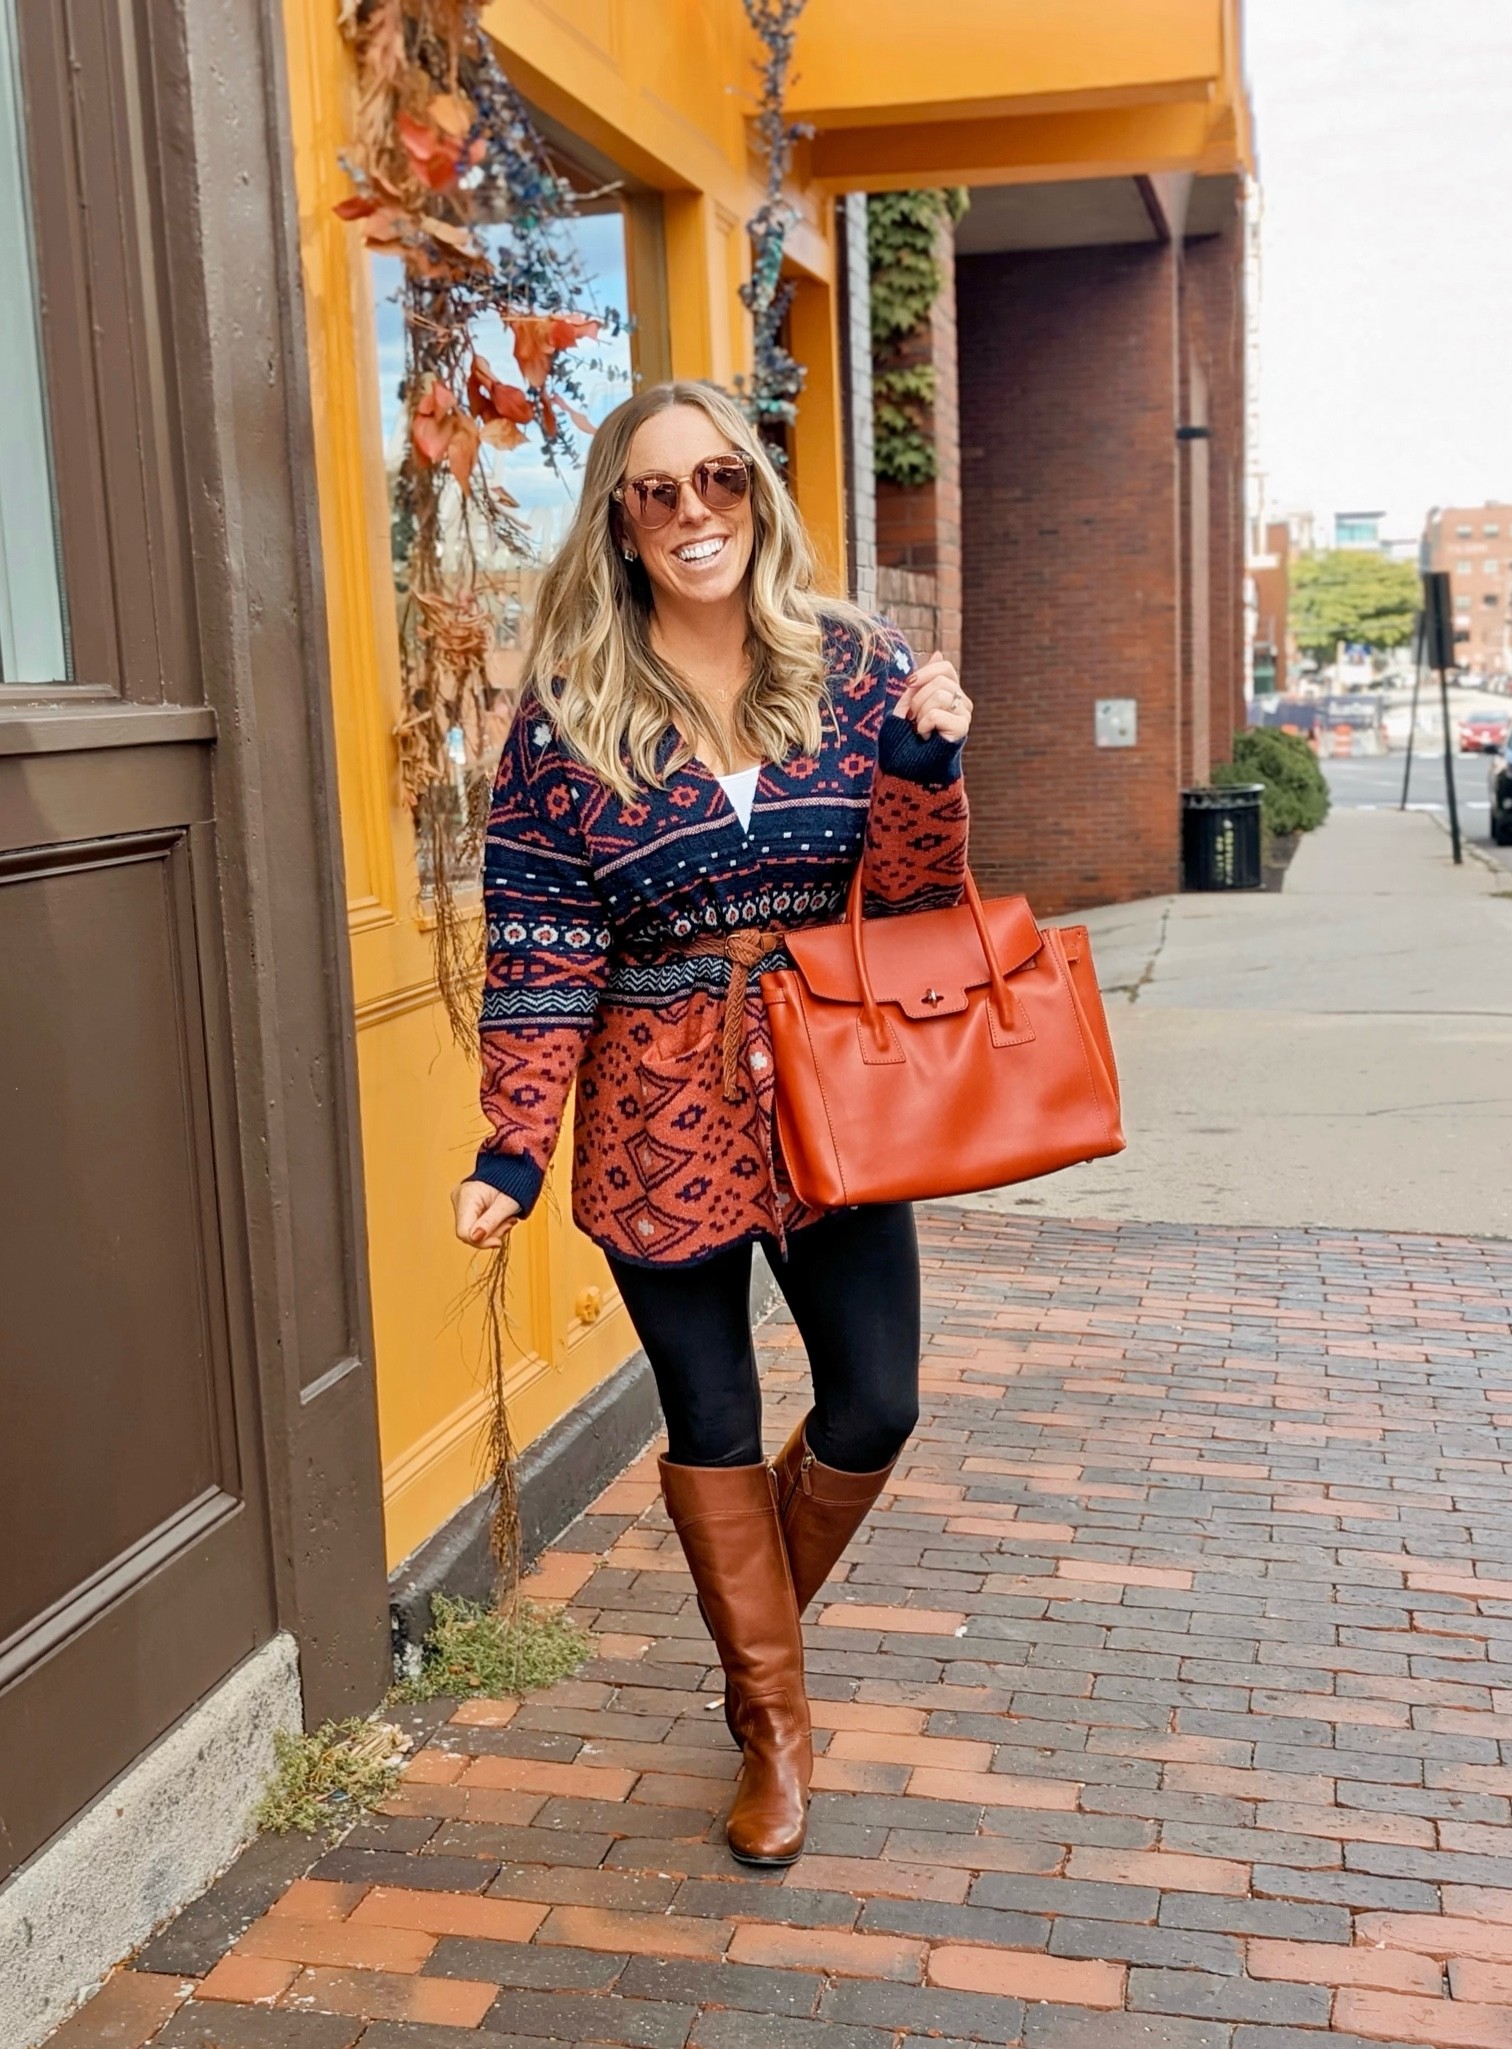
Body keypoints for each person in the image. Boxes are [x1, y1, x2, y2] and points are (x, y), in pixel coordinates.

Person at [452, 379, 972, 1867]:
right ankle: (771, 1728)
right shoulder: (563, 719)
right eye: (658, 490)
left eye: (721, 481)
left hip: (829, 1088)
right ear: (618, 520)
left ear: (759, 495)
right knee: (718, 1427)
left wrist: (925, 769)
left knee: (875, 1401)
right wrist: (511, 1142)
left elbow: (916, 905)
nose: (695, 514)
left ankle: (751, 1642)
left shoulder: (857, 664)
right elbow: (542, 949)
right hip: (651, 1107)